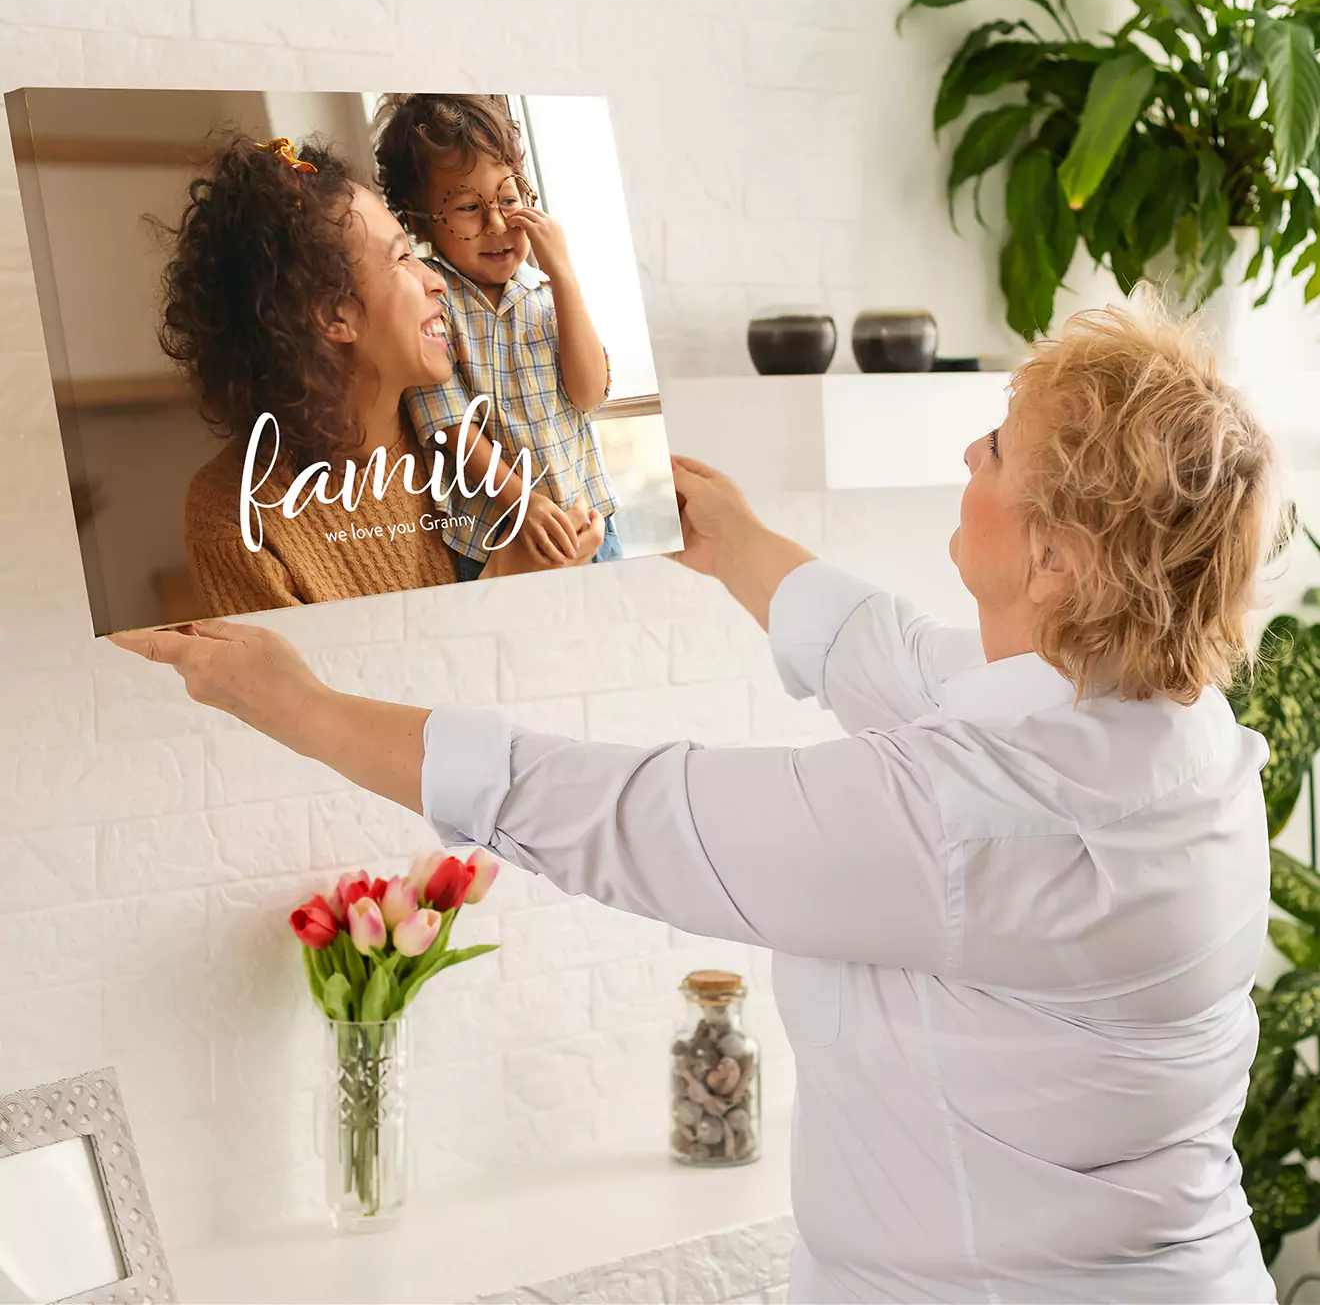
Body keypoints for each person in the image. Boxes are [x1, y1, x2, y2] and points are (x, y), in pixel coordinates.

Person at [114, 301, 1285, 1303]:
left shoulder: (973, 820)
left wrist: (301, 709)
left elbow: (626, 812)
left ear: (1055, 563)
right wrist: (734, 545)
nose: (967, 460)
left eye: (995, 446)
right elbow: (904, 662)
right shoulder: (1176, 732)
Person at [166, 135, 604, 618]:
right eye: (401, 258)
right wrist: (504, 582)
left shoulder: (477, 439)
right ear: (335, 315)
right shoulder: (236, 520)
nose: (435, 279)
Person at [374, 93, 622, 580]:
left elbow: (589, 394)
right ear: (419, 218)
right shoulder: (431, 299)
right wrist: (523, 503)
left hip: (591, 522)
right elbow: (448, 424)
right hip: (492, 538)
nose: (497, 224)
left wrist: (565, 277)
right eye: (468, 207)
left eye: (509, 200)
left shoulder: (548, 293)